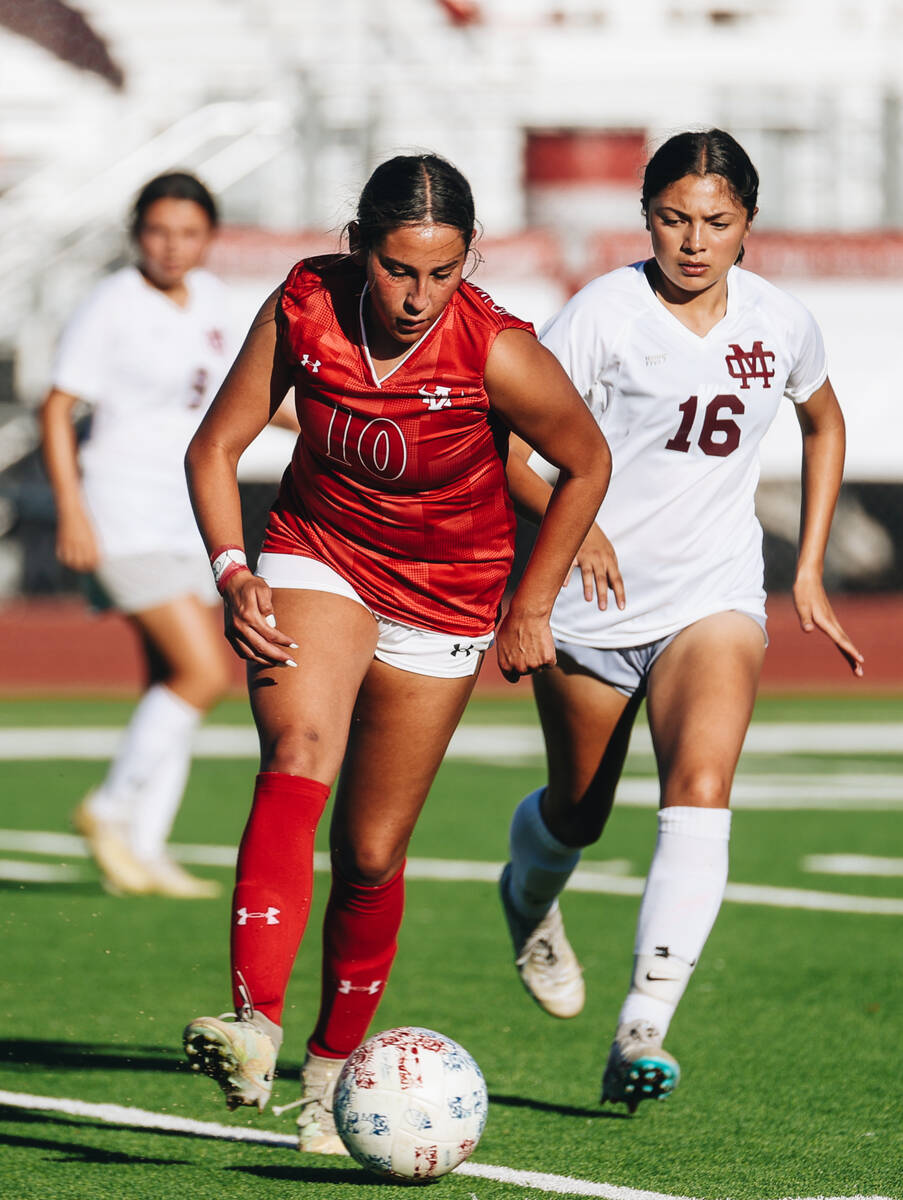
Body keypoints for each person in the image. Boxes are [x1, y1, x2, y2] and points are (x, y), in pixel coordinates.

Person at [180, 153, 612, 1153]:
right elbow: (215, 447)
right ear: (359, 248)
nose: (419, 296)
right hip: (317, 555)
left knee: (371, 853)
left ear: (469, 262)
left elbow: (587, 461)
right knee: (297, 755)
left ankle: (330, 1080)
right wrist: (236, 570)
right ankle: (253, 1025)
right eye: (398, 269)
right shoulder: (305, 305)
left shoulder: (497, 349)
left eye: (444, 272)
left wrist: (532, 602)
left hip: (449, 592)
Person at [499, 129, 864, 1113]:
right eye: (672, 218)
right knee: (577, 812)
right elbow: (512, 456)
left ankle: (642, 1028)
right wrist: (577, 533)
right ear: (645, 216)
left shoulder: (780, 320)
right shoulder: (599, 316)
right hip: (593, 608)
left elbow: (823, 422)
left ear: (749, 223)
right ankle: (526, 899)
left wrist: (811, 571)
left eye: (717, 221)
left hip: (715, 595)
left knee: (700, 790)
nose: (693, 241)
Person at [41, 172, 237, 899]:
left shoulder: (215, 301)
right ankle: (110, 807)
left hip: (186, 509)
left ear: (209, 237)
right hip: (121, 510)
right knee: (204, 674)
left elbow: (230, 400)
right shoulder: (112, 304)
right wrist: (72, 508)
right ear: (136, 235)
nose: (172, 247)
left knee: (171, 681)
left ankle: (145, 850)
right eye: (157, 231)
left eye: (188, 232)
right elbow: (59, 407)